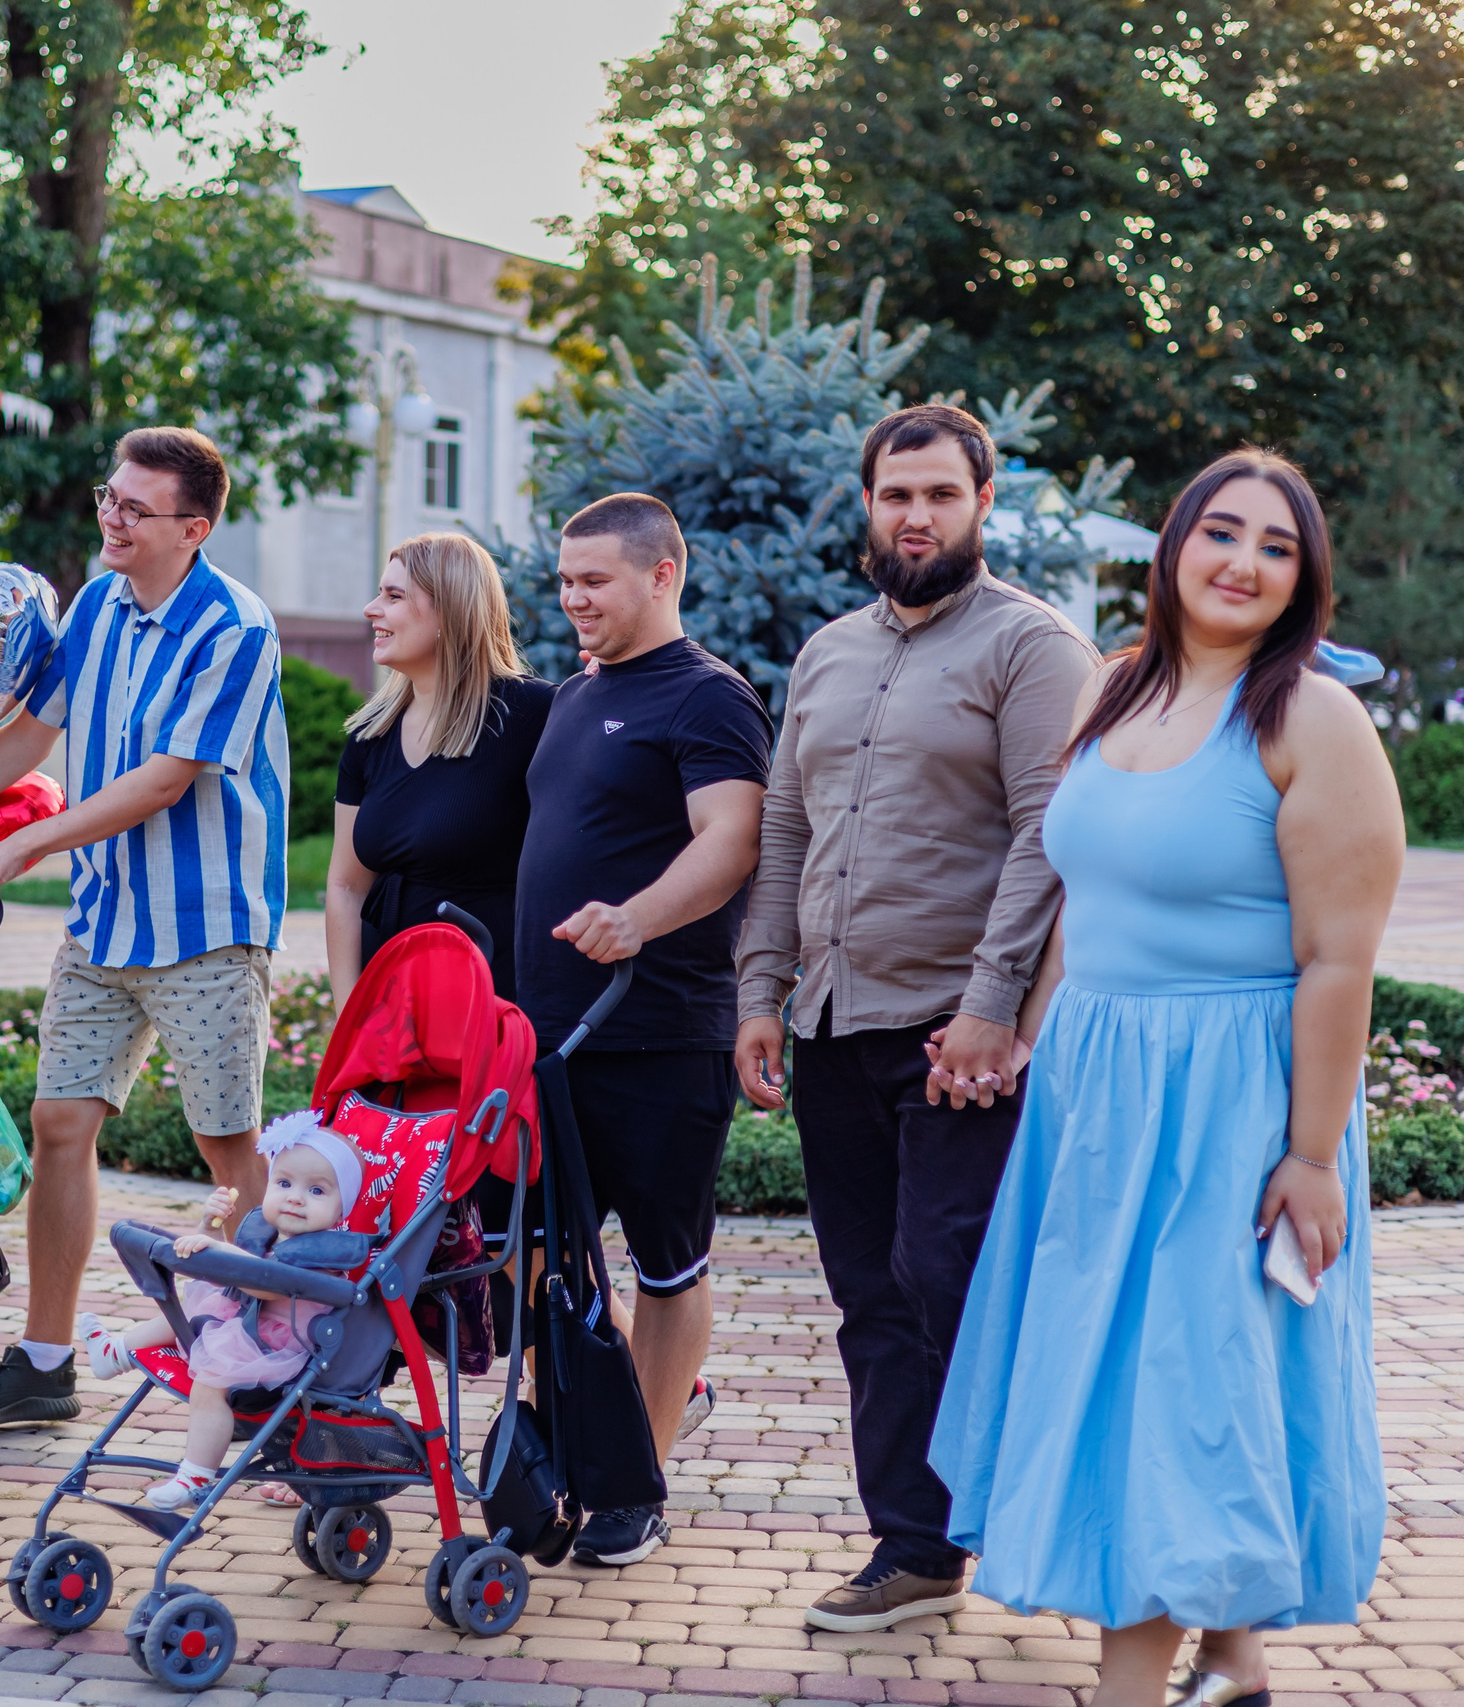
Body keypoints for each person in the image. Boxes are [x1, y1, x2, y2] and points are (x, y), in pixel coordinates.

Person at [929, 449, 1399, 1707]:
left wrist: (1310, 1156)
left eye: (1276, 547)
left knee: (1171, 1391)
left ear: (1304, 579)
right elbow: (1084, 895)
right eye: (1220, 532)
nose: (1242, 563)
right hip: (1095, 1093)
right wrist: (1029, 1033)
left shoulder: (1312, 720)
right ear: (1173, 546)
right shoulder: (1116, 686)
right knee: (1148, 1376)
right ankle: (1233, 1662)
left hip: (1231, 1104)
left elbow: (1339, 962)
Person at [0, 426, 289, 1429]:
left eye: (135, 508)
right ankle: (44, 1363)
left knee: (227, 1148)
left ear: (194, 529)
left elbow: (162, 781)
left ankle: (276, 1353)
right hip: (107, 919)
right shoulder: (99, 606)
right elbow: (30, 736)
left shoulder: (234, 627)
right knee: (60, 1124)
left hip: (206, 924)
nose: (111, 518)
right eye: (109, 497)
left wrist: (22, 843)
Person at [733, 403, 1097, 1631]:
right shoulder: (827, 652)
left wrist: (993, 1010)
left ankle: (1043, 1514)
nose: (916, 516)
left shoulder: (1032, 647)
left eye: (940, 494)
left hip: (957, 1035)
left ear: (982, 504)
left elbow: (1049, 835)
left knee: (950, 1277)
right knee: (869, 1296)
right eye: (896, 495)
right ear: (868, 504)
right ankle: (916, 1546)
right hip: (836, 1026)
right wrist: (760, 990)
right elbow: (787, 831)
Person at [504, 491, 771, 1567]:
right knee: (530, 1261)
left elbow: (732, 839)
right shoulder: (576, 693)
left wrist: (637, 918)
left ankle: (637, 1483)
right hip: (547, 1040)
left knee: (665, 1266)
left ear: (663, 575)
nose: (573, 599)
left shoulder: (709, 697)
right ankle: (625, 1421)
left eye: (595, 580)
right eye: (565, 580)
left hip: (658, 1030)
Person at [73, 1112, 360, 1507]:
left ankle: (195, 1477)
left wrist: (221, 1251)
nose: (295, 1197)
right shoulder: (273, 1236)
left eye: (316, 1190)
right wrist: (209, 1227)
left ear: (343, 1208)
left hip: (281, 1349)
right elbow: (222, 1273)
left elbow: (263, 1284)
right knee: (190, 1314)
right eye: (283, 1183)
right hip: (247, 1324)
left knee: (211, 1383)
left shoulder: (324, 1254)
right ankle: (115, 1353)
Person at [326, 532, 554, 1003]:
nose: (371, 609)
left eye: (393, 596)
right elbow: (345, 886)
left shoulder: (534, 714)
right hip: (391, 996)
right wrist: (350, 1012)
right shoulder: (371, 735)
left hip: (490, 1000)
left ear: (449, 612)